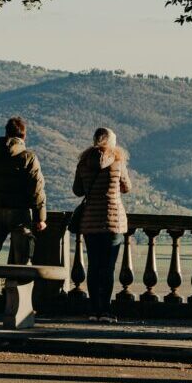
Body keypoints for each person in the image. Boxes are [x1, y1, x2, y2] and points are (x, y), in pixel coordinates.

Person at [0, 116, 47, 310]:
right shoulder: (28, 157)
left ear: (5, 133)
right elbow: (37, 190)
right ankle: (18, 303)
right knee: (22, 259)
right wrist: (41, 217)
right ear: (24, 135)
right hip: (21, 213)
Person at [73, 127, 131, 323]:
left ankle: (93, 310)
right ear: (111, 142)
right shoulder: (118, 161)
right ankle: (105, 311)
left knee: (93, 266)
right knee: (108, 267)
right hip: (113, 222)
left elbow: (77, 190)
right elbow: (127, 187)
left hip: (90, 221)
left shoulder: (83, 162)